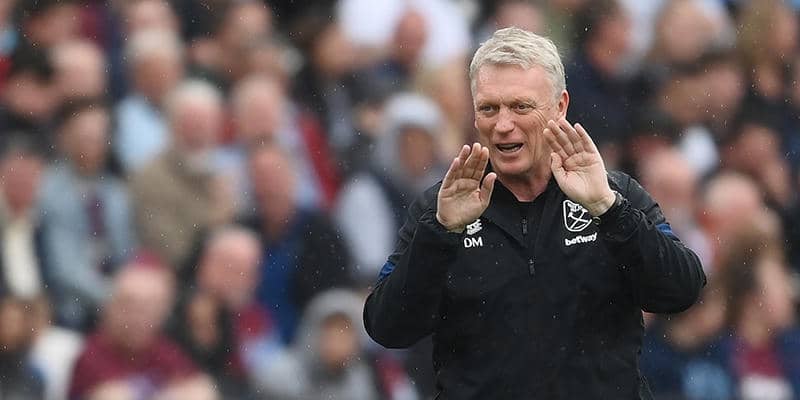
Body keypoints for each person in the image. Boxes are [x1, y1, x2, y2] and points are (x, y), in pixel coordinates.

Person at [363, 27, 705, 398]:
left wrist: (609, 210)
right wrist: (440, 233)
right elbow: (387, 327)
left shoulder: (613, 195)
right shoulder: (441, 208)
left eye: (521, 107)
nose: (502, 125)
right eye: (489, 108)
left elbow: (681, 291)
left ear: (560, 106)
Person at [68, 258, 217, 400]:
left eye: (148, 308)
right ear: (110, 306)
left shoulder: (161, 349)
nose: (137, 317)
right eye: (129, 305)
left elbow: (200, 388)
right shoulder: (92, 354)